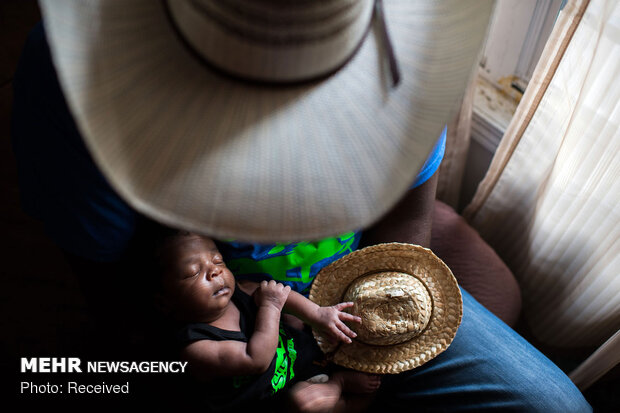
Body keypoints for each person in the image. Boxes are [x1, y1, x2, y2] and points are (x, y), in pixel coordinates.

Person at [11, 1, 591, 411]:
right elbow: (118, 305)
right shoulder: (75, 78)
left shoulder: (410, 47)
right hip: (224, 330)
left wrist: (365, 378)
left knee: (553, 405)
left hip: (356, 293)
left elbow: (407, 219)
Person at [153, 229, 380, 412]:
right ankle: (339, 386)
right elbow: (256, 359)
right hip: (276, 400)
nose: (215, 272)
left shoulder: (240, 289)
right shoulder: (196, 348)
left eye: (218, 261)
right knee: (304, 403)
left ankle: (331, 371)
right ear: (166, 301)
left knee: (292, 314)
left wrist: (318, 314)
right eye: (193, 272)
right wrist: (270, 306)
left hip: (297, 362)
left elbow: (280, 294)